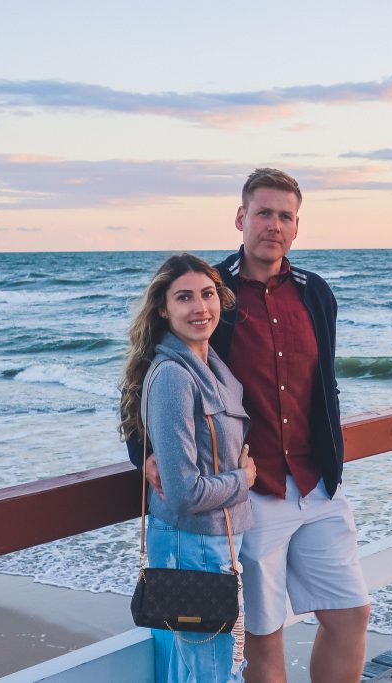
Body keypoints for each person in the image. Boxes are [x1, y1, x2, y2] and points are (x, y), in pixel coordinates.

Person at [131, 169, 371, 682]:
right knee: (264, 636)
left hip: (317, 484)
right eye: (263, 213)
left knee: (351, 613)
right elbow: (152, 375)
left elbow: (323, 384)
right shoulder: (212, 293)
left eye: (286, 216)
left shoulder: (315, 293)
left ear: (297, 227)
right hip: (249, 495)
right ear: (241, 218)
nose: (274, 225)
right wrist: (143, 451)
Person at [120, 253, 258, 683]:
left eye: (208, 294)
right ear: (164, 308)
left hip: (214, 545)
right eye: (184, 298)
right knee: (212, 675)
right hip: (193, 547)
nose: (200, 308)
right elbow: (183, 493)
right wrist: (245, 479)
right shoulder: (175, 377)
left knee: (203, 670)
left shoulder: (209, 363)